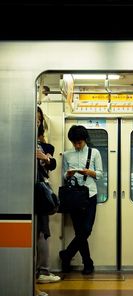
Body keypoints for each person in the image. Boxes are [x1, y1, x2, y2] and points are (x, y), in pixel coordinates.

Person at [59, 125, 103, 275]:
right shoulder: (66, 155)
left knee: (86, 230)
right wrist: (68, 175)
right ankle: (88, 263)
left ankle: (67, 254)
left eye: (80, 142)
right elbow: (64, 176)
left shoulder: (94, 152)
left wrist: (88, 172)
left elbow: (100, 174)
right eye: (74, 143)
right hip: (74, 197)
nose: (77, 145)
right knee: (79, 231)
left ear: (85, 140)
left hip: (90, 194)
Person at [36, 106, 61, 286]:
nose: (36, 122)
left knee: (43, 231)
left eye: (38, 120)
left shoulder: (45, 146)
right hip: (30, 191)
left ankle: (43, 270)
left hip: (40, 191)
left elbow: (52, 164)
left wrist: (45, 158)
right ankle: (40, 271)